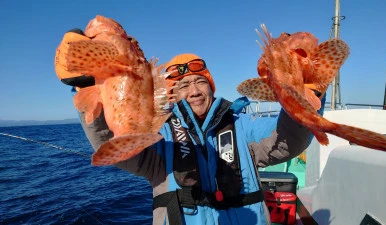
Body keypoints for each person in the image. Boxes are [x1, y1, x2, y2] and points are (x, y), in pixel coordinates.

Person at [56, 30, 325, 225]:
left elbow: (289, 140)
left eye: (200, 82)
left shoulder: (241, 125)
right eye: (183, 86)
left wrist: (308, 98)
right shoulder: (158, 135)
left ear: (211, 87)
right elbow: (116, 147)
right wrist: (87, 86)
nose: (194, 91)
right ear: (170, 94)